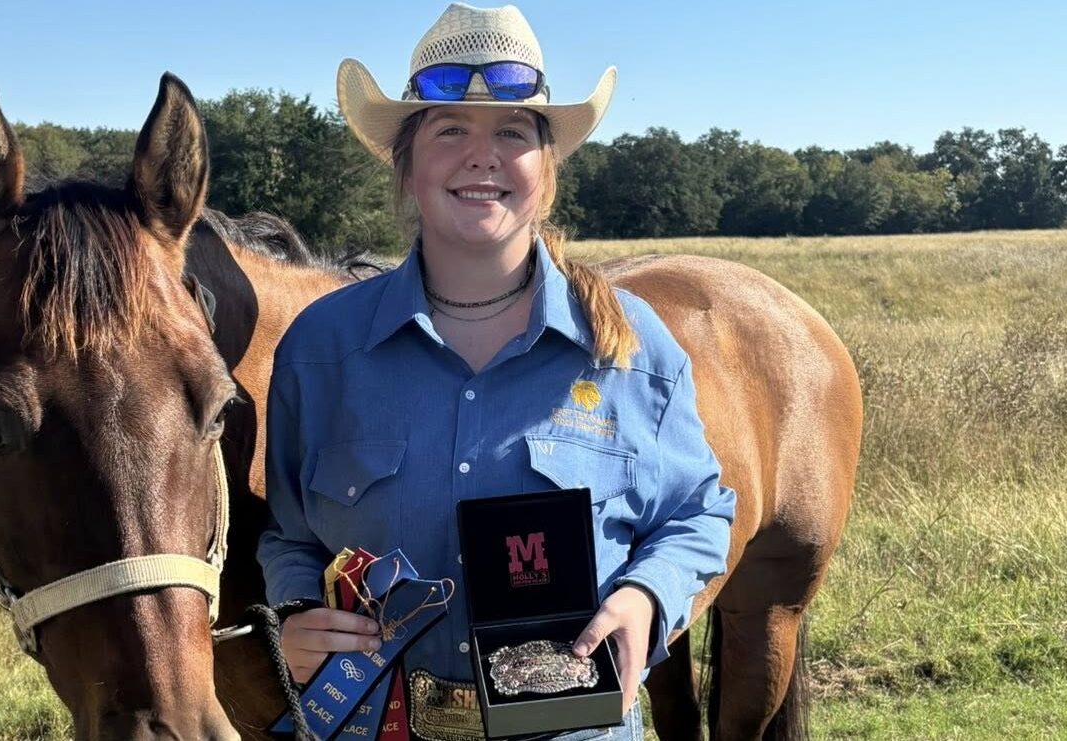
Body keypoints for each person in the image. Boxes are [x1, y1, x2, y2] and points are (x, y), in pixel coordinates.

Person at [256, 4, 736, 738]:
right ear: (408, 165)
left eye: (512, 132)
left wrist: (647, 594)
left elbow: (699, 512)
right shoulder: (319, 350)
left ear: (545, 170)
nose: (482, 157)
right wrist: (295, 614)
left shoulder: (634, 349)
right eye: (451, 130)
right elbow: (289, 531)